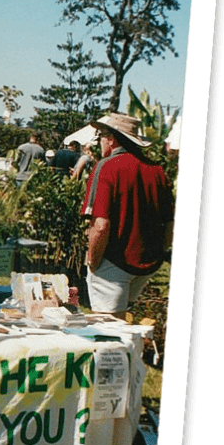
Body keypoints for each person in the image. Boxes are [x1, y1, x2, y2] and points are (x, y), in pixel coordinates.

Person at [81, 113, 174, 318]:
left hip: (115, 261)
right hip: (147, 262)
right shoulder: (156, 169)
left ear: (111, 139)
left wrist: (93, 261)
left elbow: (101, 225)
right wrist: (161, 251)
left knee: (107, 333)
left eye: (101, 136)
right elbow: (170, 223)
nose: (99, 142)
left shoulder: (106, 167)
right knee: (124, 324)